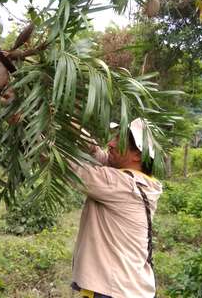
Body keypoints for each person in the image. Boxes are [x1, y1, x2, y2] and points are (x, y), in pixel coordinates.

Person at [69, 118, 162, 298]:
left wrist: (27, 123)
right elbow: (95, 151)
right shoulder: (139, 180)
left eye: (119, 141)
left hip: (113, 291)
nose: (110, 143)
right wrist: (55, 113)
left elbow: (68, 167)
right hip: (126, 287)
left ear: (137, 155)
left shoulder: (122, 184)